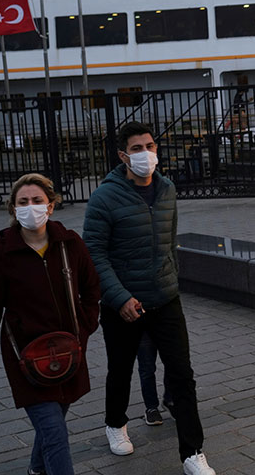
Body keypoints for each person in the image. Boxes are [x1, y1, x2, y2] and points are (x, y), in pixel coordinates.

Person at [83, 121, 215, 475]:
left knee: (182, 374)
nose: (146, 154)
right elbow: (94, 253)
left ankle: (192, 452)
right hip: (123, 305)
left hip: (165, 299)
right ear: (123, 155)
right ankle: (115, 423)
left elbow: (169, 242)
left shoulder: (167, 189)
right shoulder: (104, 197)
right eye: (137, 149)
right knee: (121, 370)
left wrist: (171, 280)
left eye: (150, 146)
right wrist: (119, 298)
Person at [0, 173, 100, 475]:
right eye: (23, 202)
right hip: (26, 359)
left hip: (67, 354)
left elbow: (92, 288)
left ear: (50, 206)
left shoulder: (70, 244)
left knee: (53, 424)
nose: (30, 207)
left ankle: (36, 469)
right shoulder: (0, 255)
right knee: (54, 431)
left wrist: (85, 327)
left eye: (37, 200)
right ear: (13, 209)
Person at [137, 331, 173, 425]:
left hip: (165, 324)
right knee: (147, 367)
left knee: (173, 363)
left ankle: (170, 399)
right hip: (142, 326)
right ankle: (151, 407)